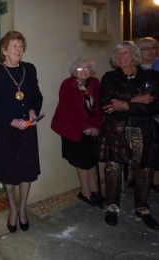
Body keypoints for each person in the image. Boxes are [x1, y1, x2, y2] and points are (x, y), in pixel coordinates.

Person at [0, 30, 43, 233]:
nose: (18, 50)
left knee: (26, 172)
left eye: (21, 46)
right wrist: (11, 120)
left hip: (27, 129)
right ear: (4, 50)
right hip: (6, 131)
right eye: (14, 46)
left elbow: (37, 96)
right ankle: (12, 209)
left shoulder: (30, 69)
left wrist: (34, 109)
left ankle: (23, 209)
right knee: (9, 174)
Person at [96, 41, 159, 229]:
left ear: (135, 55)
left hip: (143, 130)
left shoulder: (151, 77)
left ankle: (142, 207)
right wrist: (136, 101)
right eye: (117, 54)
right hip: (116, 130)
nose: (120, 57)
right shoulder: (109, 77)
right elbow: (106, 105)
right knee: (113, 168)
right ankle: (112, 206)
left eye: (124, 53)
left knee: (145, 170)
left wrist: (124, 105)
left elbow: (155, 105)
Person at [51, 57, 104, 209]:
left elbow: (99, 107)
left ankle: (95, 191)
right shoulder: (68, 85)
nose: (84, 71)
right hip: (73, 128)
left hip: (91, 128)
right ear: (74, 71)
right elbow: (69, 110)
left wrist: (96, 126)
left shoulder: (95, 83)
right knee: (83, 162)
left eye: (87, 68)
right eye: (80, 68)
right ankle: (85, 193)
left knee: (92, 160)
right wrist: (86, 126)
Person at [138, 37, 159, 194]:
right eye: (146, 48)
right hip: (141, 116)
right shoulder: (135, 69)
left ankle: (156, 182)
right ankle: (145, 181)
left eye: (154, 47)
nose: (151, 51)